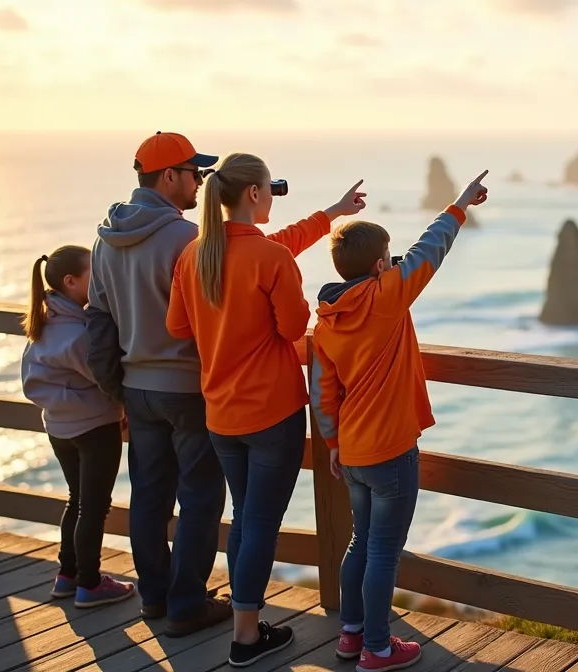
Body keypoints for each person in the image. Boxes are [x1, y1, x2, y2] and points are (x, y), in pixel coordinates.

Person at [166, 151, 366, 668]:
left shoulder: (195, 255)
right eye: (269, 190)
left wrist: (331, 214)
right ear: (254, 193)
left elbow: (179, 328)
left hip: (220, 414)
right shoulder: (269, 260)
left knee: (246, 518)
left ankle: (245, 622)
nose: (273, 197)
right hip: (272, 413)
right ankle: (246, 638)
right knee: (259, 523)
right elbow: (291, 325)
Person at [311, 170, 489, 671]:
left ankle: (350, 636)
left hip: (351, 449)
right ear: (378, 264)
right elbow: (430, 250)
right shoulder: (387, 298)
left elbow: (323, 392)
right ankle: (378, 648)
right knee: (383, 552)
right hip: (390, 450)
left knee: (359, 543)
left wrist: (330, 443)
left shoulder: (325, 321)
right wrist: (460, 204)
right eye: (387, 258)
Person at [86, 131, 231, 636]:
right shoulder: (185, 238)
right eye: (196, 173)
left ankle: (155, 597)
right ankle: (188, 602)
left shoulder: (103, 241)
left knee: (149, 495)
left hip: (137, 387)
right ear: (169, 176)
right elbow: (216, 317)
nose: (200, 183)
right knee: (201, 496)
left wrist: (118, 390)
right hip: (187, 388)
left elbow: (98, 327)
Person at [20, 245, 136, 608]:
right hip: (94, 426)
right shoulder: (79, 333)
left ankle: (67, 574)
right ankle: (89, 583)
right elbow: (103, 374)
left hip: (59, 427)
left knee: (77, 499)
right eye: (94, 274)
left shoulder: (45, 321)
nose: (100, 279)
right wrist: (127, 403)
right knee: (94, 506)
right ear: (71, 282)